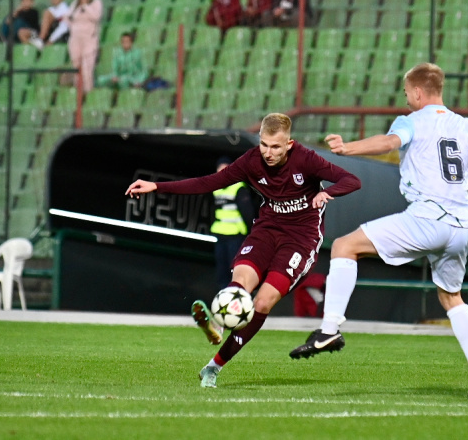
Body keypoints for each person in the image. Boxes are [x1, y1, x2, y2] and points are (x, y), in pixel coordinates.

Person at [288, 63, 468, 400]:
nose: (406, 100)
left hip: (427, 218)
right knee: (451, 297)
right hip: (460, 226)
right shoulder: (466, 126)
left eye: (407, 93)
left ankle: (329, 330)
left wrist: (349, 148)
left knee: (346, 246)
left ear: (418, 92)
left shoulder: (412, 121)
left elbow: (390, 141)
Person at [125, 113, 362, 388]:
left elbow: (352, 180)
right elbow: (208, 183)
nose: (269, 153)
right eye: (264, 145)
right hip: (266, 230)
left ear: (289, 144)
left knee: (262, 303)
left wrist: (328, 193)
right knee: (239, 286)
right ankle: (218, 324)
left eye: (275, 147)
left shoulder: (306, 159)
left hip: (301, 238)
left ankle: (213, 367)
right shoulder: (251, 161)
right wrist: (157, 186)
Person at [210, 156, 254, 290]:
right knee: (221, 271)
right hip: (220, 235)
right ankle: (223, 299)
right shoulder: (216, 188)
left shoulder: (239, 188)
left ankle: (237, 299)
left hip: (235, 236)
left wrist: (250, 234)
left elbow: (248, 213)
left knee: (235, 271)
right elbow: (213, 211)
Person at [65, 0, 103, 94]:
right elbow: (67, 18)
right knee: (76, 67)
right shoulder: (75, 4)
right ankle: (78, 94)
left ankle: (88, 92)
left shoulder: (96, 3)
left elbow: (96, 16)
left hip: (89, 39)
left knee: (87, 68)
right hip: (75, 39)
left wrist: (85, 6)